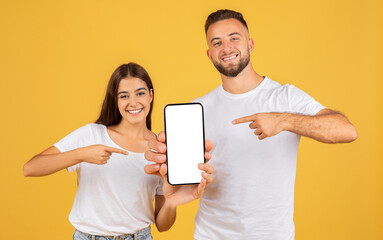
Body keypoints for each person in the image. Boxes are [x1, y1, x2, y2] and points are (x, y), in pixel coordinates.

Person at [144, 9, 358, 240]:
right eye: (217, 43)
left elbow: (346, 130)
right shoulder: (197, 110)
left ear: (250, 44)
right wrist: (171, 181)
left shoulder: (284, 97)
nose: (226, 48)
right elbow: (172, 206)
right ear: (209, 54)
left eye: (234, 38)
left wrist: (283, 120)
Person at [23, 63, 214, 240]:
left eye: (140, 93)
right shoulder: (92, 134)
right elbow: (30, 168)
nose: (133, 102)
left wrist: (171, 201)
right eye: (124, 95)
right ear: (115, 100)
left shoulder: (161, 151)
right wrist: (82, 154)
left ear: (150, 95)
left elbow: (163, 226)